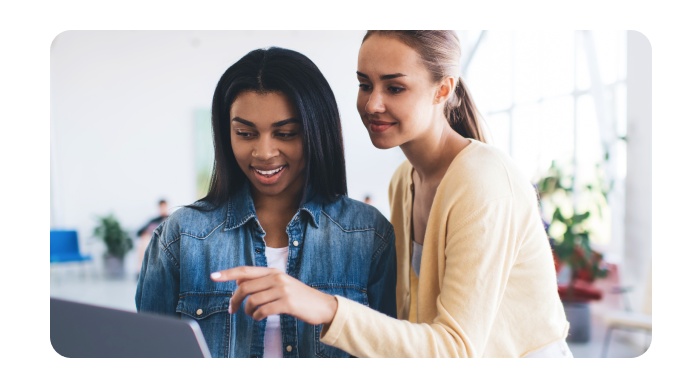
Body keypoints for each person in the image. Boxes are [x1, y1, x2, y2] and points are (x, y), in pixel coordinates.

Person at [216, 30, 571, 358]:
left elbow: (455, 349)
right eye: (364, 84)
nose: (372, 104)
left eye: (395, 88)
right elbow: (411, 329)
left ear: (443, 90)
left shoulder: (484, 182)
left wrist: (326, 307)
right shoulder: (405, 180)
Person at [135, 47, 397, 358]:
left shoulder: (369, 235)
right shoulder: (180, 237)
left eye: (285, 133)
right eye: (245, 133)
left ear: (316, 132)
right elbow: (148, 349)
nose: (263, 152)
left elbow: (392, 346)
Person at [135, 199, 169, 279]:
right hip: (152, 240)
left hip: (165, 240)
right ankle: (140, 270)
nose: (162, 209)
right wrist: (145, 233)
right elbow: (139, 232)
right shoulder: (153, 221)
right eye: (161, 207)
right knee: (144, 241)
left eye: (164, 207)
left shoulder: (171, 219)